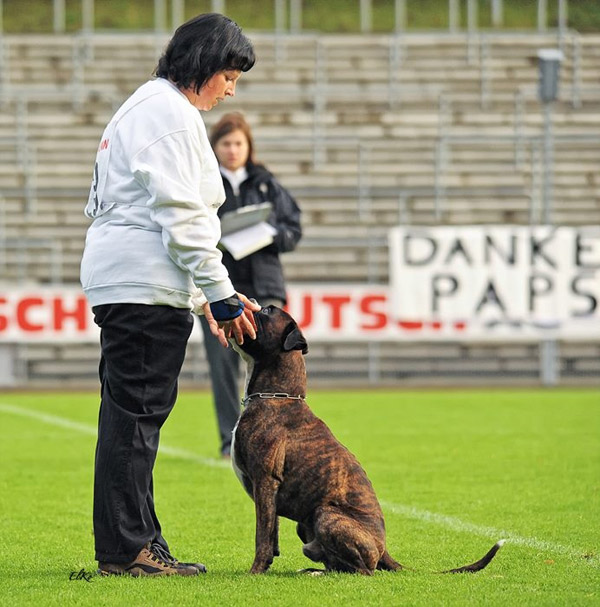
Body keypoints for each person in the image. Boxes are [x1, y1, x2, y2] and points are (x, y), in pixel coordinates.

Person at [80, 14, 260, 578]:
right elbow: (183, 217)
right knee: (136, 419)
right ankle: (127, 550)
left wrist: (204, 295)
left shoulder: (148, 105)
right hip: (143, 285)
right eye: (229, 76)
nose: (230, 90)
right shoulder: (170, 113)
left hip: (131, 277)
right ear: (205, 64)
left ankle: (138, 541)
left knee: (130, 418)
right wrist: (221, 294)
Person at [200, 112, 302, 458]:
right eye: (225, 143)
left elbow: (293, 230)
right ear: (214, 147)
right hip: (220, 287)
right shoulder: (203, 182)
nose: (232, 150)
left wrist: (269, 233)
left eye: (238, 143)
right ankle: (230, 441)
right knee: (223, 367)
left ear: (249, 146)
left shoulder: (267, 184)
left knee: (273, 365)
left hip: (264, 286)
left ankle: (275, 438)